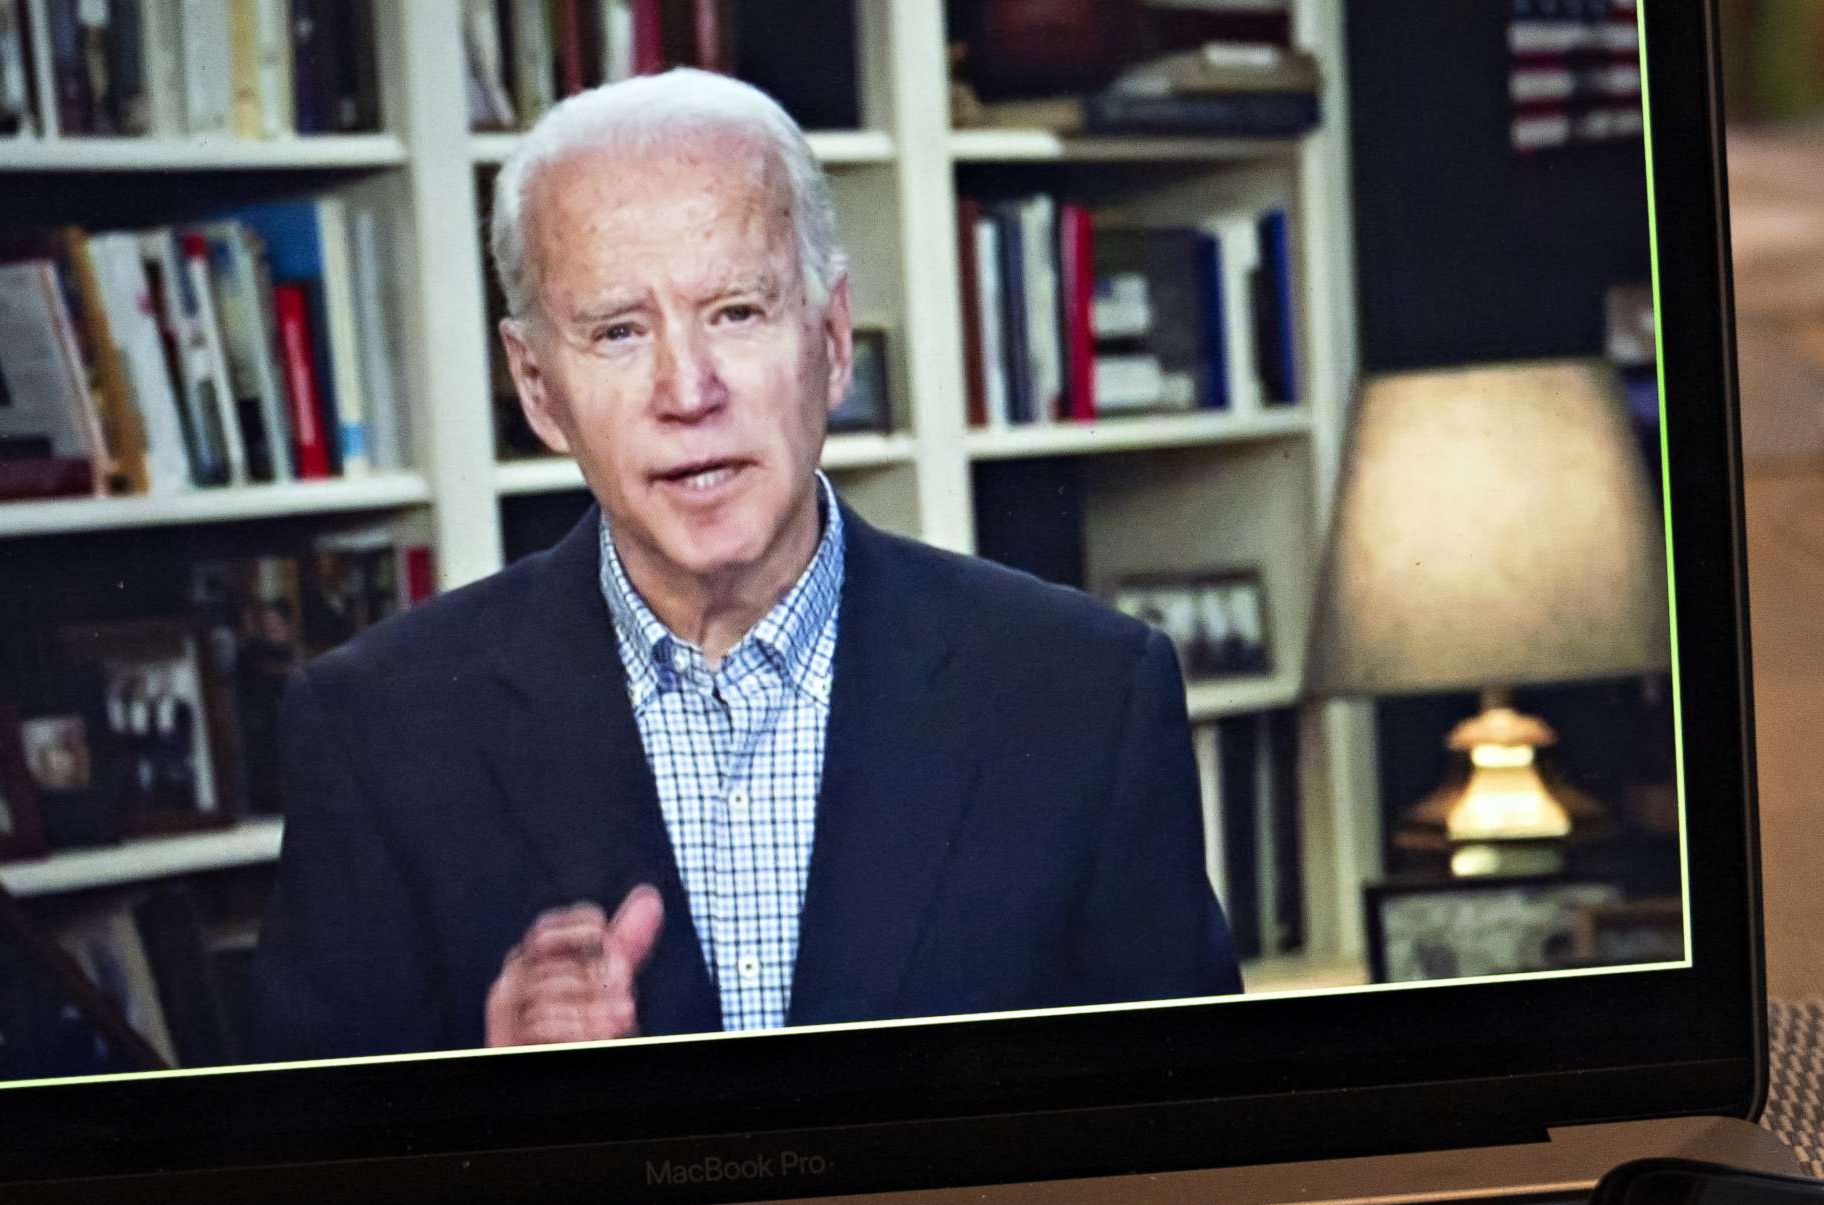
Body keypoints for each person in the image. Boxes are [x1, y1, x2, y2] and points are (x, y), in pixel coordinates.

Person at [254, 69, 1239, 1064]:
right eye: (619, 332)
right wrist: (484, 1092)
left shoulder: (1086, 696)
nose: (688, 389)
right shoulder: (374, 731)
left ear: (833, 339)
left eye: (736, 311)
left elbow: (1196, 1138)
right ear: (539, 389)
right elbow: (304, 1186)